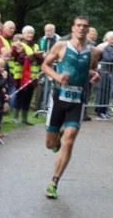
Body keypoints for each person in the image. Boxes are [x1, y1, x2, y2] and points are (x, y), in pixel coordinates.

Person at [42, 16, 101, 199]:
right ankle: (57, 136)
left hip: (77, 100)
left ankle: (54, 182)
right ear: (73, 28)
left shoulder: (93, 52)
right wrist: (57, 77)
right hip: (59, 98)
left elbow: (89, 70)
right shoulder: (61, 46)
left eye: (85, 26)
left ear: (88, 29)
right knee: (50, 144)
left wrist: (94, 75)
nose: (82, 29)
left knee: (69, 140)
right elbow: (45, 65)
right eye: (78, 26)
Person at [11, 26, 43, 125]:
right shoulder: (19, 45)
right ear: (23, 34)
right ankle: (15, 117)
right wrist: (34, 56)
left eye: (31, 33)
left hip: (33, 77)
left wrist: (39, 57)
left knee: (28, 97)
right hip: (21, 76)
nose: (30, 35)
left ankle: (24, 118)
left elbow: (40, 61)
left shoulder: (36, 46)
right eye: (28, 33)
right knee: (20, 96)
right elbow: (20, 59)